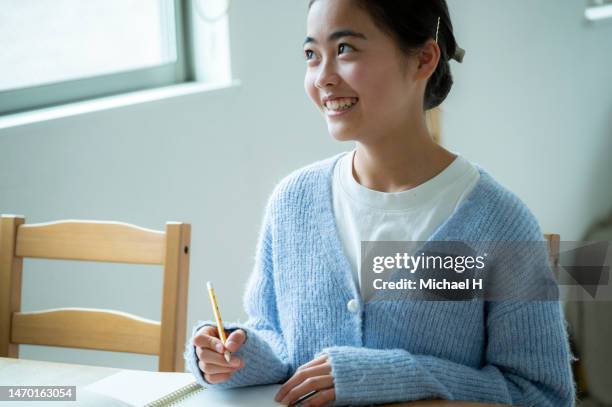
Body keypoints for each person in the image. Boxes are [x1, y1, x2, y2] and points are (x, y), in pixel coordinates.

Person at [185, 0, 575, 406]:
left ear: (424, 59)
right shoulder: (292, 203)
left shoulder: (499, 224)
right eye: (311, 55)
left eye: (345, 50)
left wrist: (395, 376)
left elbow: (541, 395)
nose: (323, 77)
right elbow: (279, 342)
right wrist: (233, 354)